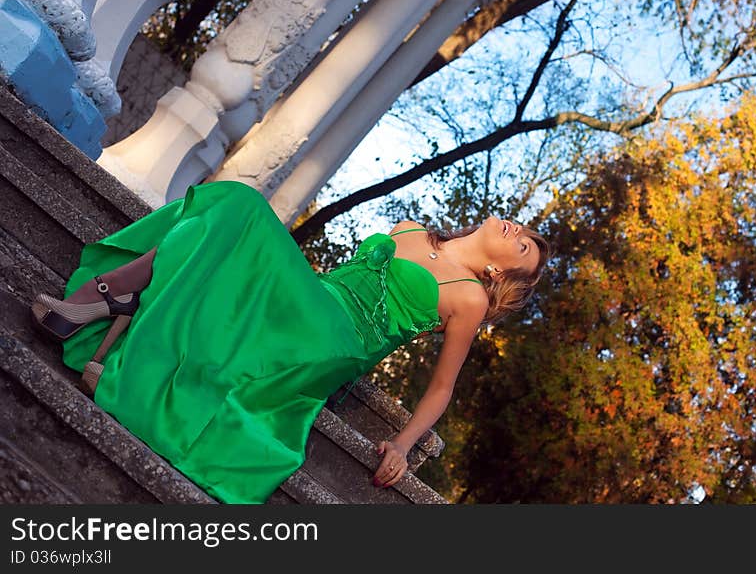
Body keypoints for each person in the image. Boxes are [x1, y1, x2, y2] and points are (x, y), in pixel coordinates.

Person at [30, 180, 549, 503]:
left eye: (522, 246)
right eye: (521, 227)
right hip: (309, 300)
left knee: (244, 210)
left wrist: (404, 443)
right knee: (232, 205)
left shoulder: (469, 299)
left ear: (500, 272)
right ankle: (115, 305)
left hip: (336, 340)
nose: (515, 230)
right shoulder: (411, 227)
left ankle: (108, 303)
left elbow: (441, 387)